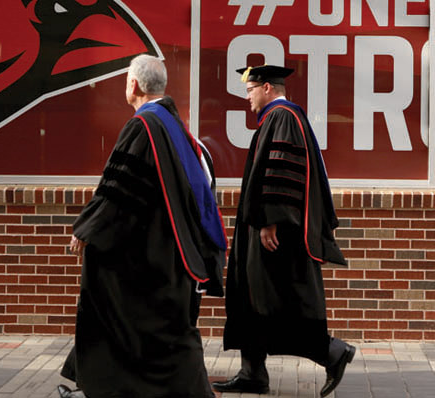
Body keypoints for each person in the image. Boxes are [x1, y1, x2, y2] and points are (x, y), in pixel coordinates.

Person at [57, 54, 226, 398]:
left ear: (133, 84)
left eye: (125, 81)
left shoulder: (144, 126)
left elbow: (118, 190)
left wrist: (87, 229)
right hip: (173, 250)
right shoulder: (176, 126)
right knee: (155, 327)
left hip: (153, 254)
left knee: (109, 299)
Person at [212, 65, 355, 397]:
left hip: (274, 232)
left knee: (278, 301)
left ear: (265, 87)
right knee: (253, 297)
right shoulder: (278, 117)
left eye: (249, 89)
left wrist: (270, 219)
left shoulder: (283, 116)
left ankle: (333, 352)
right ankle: (253, 373)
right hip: (262, 227)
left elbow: (280, 170)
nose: (246, 96)